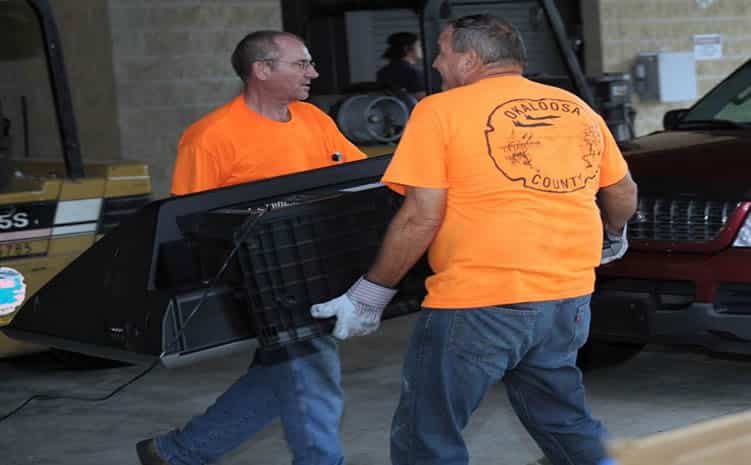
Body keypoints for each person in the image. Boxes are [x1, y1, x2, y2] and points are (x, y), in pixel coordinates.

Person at [311, 14, 637, 465]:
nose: (436, 64)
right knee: (562, 418)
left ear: (469, 59)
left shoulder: (440, 111)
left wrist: (370, 295)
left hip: (479, 301)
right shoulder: (575, 107)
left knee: (427, 435)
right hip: (567, 299)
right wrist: (613, 236)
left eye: (443, 53)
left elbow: (420, 217)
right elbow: (622, 191)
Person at [137, 30, 366, 465]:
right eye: (301, 64)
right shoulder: (210, 137)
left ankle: (176, 453)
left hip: (317, 269)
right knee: (312, 374)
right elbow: (189, 226)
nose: (314, 73)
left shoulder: (315, 121)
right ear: (262, 70)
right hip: (262, 283)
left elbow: (359, 178)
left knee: (281, 374)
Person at [376, 32, 426, 99]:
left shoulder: (382, 72)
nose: (422, 49)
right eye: (419, 46)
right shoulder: (414, 72)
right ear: (406, 48)